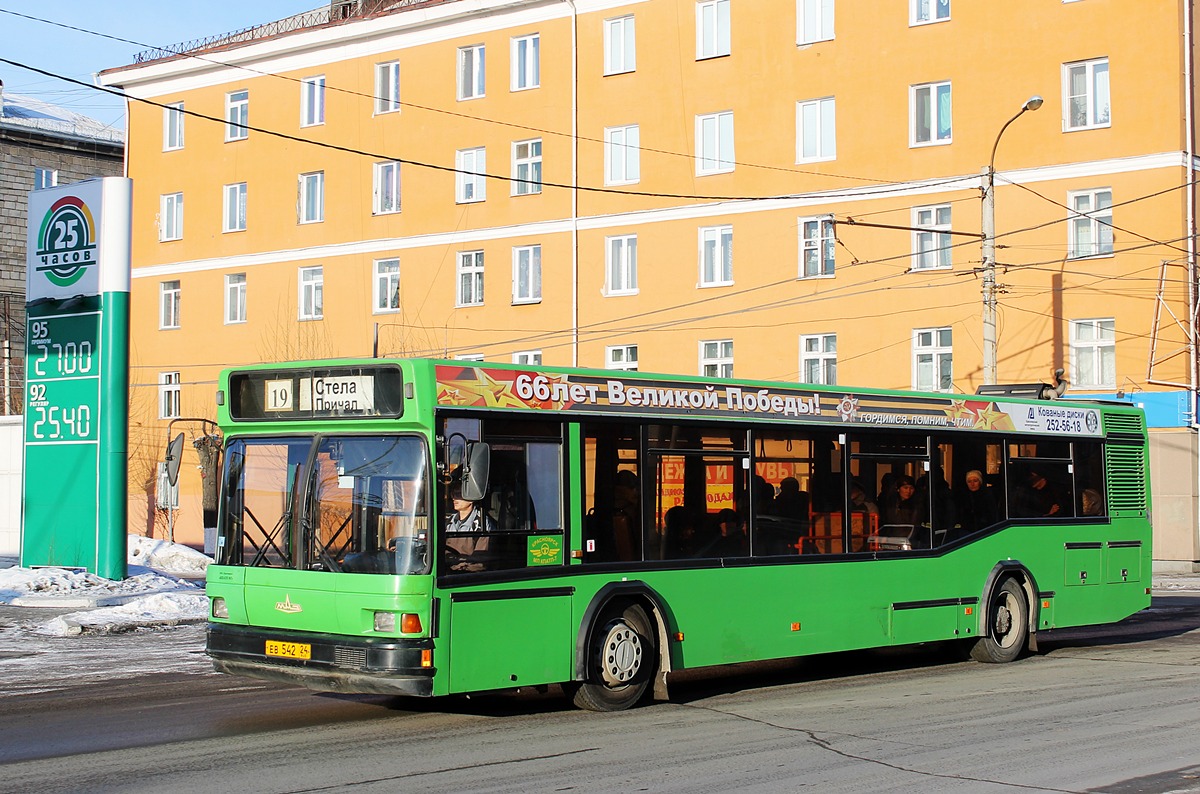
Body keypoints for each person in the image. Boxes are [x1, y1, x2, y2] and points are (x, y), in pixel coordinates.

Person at [445, 480, 496, 571]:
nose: (454, 498)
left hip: (466, 575)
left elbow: (480, 562)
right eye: (453, 494)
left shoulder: (482, 524)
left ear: (471, 499)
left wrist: (458, 567)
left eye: (459, 494)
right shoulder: (448, 522)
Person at [954, 469, 999, 538]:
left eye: (975, 481)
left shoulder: (987, 496)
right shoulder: (963, 497)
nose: (972, 484)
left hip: (985, 531)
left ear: (980, 482)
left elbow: (992, 515)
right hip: (966, 532)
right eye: (969, 481)